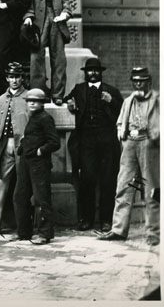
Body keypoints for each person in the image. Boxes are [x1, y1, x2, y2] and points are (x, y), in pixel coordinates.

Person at [98, 67, 160, 246]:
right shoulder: (128, 101)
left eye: (142, 80)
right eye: (136, 81)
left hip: (149, 143)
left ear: (149, 82)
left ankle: (153, 233)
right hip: (130, 144)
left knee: (151, 189)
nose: (139, 84)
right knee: (123, 185)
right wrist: (121, 131)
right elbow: (120, 121)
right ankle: (118, 229)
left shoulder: (157, 101)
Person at [65, 58, 123, 231]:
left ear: (100, 73)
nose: (93, 73)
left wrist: (111, 100)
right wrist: (69, 102)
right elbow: (66, 98)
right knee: (87, 179)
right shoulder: (79, 89)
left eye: (96, 71)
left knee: (107, 180)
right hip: (86, 140)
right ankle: (86, 219)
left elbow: (122, 109)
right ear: (85, 73)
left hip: (107, 139)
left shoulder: (111, 91)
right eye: (89, 71)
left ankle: (106, 220)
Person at [0, 62, 29, 237]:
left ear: (22, 78)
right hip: (3, 147)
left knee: (24, 186)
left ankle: (26, 225)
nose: (14, 80)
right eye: (11, 76)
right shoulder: (1, 100)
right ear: (6, 78)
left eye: (17, 76)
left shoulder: (29, 97)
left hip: (23, 147)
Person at [22, 0, 72, 105]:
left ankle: (58, 95)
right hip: (38, 19)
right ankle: (39, 93)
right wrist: (28, 16)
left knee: (59, 59)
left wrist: (66, 13)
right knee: (37, 58)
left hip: (56, 18)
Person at [13, 88, 60, 244]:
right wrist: (22, 147)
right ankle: (24, 232)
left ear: (42, 103)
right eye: (29, 101)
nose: (32, 103)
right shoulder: (33, 118)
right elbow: (30, 137)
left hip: (39, 163)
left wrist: (41, 151)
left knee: (41, 198)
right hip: (27, 161)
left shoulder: (45, 118)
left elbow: (54, 142)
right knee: (20, 196)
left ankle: (44, 233)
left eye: (36, 101)